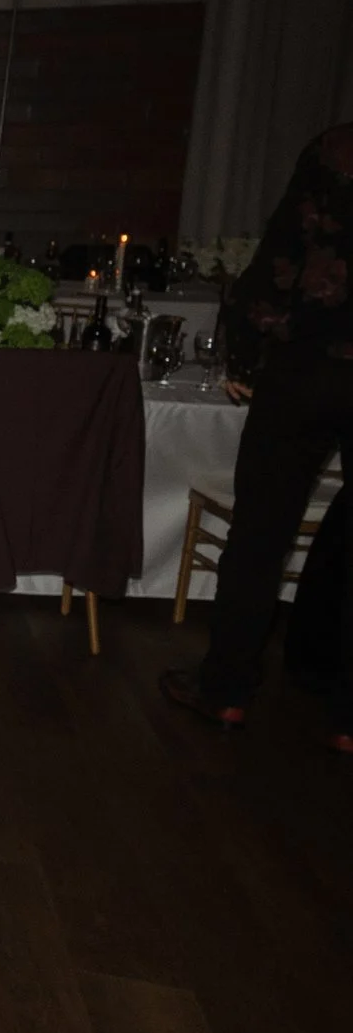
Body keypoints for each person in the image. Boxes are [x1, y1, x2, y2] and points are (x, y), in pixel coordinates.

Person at [162, 122, 353, 747]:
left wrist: (243, 349)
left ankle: (226, 690)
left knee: (262, 531)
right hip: (318, 359)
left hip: (311, 360)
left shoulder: (339, 150)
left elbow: (283, 255)